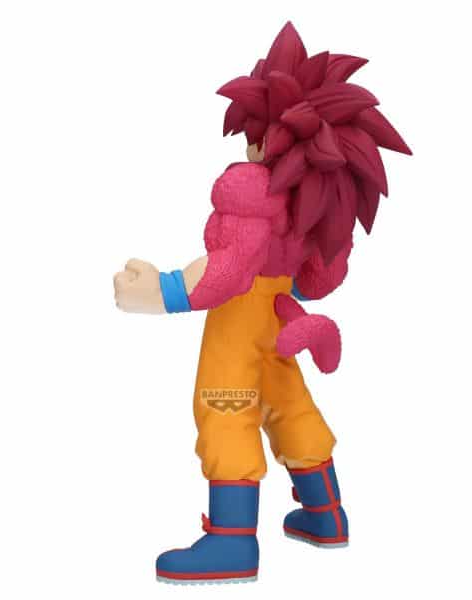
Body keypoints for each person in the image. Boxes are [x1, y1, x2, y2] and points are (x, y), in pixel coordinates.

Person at [113, 21, 410, 585]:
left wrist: (162, 290)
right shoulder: (319, 203)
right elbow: (313, 280)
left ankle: (231, 542)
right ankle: (325, 515)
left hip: (241, 321)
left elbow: (229, 269)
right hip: (277, 322)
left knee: (224, 406)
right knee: (289, 406)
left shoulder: (255, 190)